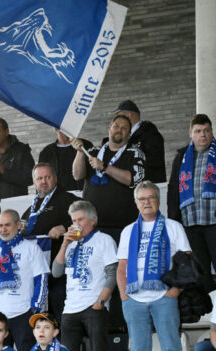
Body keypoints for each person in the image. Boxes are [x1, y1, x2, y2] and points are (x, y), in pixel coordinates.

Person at [117, 181, 190, 351]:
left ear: (159, 200)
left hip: (164, 298)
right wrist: (125, 297)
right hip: (134, 300)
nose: (146, 202)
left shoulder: (173, 227)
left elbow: (186, 263)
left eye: (151, 197)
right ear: (136, 203)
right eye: (142, 198)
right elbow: (121, 267)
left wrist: (173, 293)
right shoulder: (128, 230)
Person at [167, 113, 216, 291]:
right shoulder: (181, 157)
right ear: (191, 133)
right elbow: (173, 191)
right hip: (190, 225)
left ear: (212, 132)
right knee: (199, 272)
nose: (202, 135)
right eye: (198, 131)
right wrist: (173, 221)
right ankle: (209, 313)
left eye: (206, 130)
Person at [52, 200, 117, 351]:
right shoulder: (71, 244)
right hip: (70, 308)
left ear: (92, 220)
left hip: (93, 305)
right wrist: (65, 244)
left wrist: (101, 302)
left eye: (80, 220)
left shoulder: (104, 240)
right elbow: (56, 272)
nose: (76, 224)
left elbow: (113, 274)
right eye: (73, 221)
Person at [0, 210, 49, 351]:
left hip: (22, 313)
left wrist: (34, 309)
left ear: (19, 225)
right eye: (0, 226)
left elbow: (41, 280)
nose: (3, 229)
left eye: (7, 225)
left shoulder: (31, 248)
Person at [72, 115, 146, 243]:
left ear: (129, 134)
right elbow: (77, 175)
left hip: (121, 227)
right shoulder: (93, 152)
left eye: (124, 128)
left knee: (120, 263)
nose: (119, 130)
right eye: (116, 126)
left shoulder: (134, 153)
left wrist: (105, 167)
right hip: (90, 226)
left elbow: (133, 179)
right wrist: (79, 152)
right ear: (109, 128)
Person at [21, 163, 80, 319]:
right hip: (37, 273)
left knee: (60, 308)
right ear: (34, 182)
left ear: (55, 178)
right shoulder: (31, 208)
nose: (43, 181)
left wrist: (65, 227)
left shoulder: (68, 199)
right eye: (39, 178)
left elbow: (87, 220)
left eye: (47, 177)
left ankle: (65, 342)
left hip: (60, 271)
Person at [110, 99, 166, 182]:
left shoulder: (150, 134)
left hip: (146, 187)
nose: (117, 119)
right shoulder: (129, 136)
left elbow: (154, 163)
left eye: (119, 115)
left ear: (128, 115)